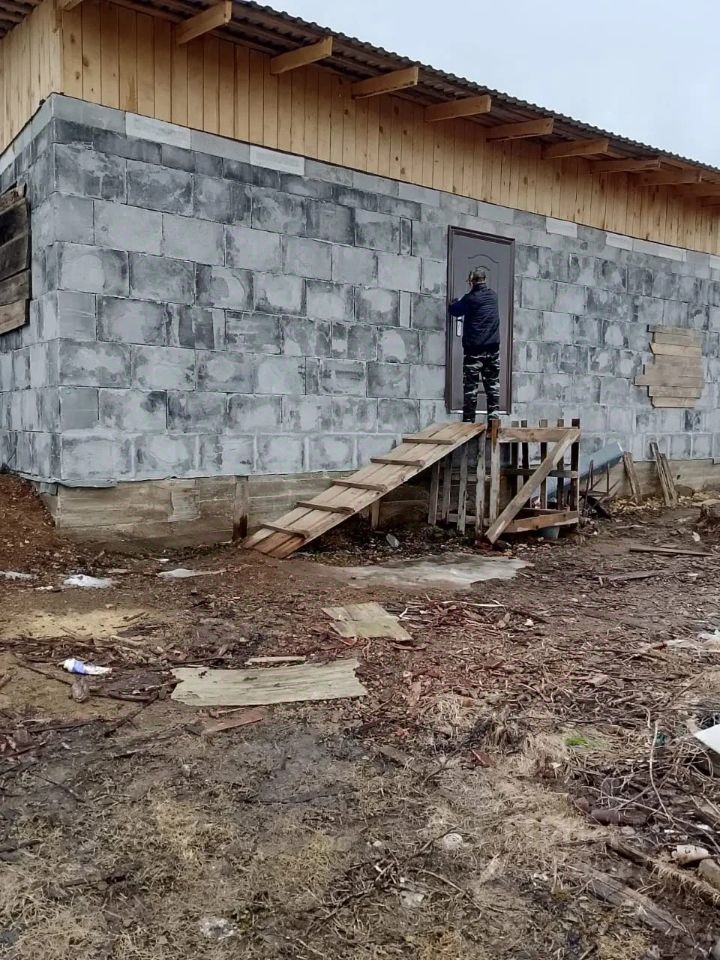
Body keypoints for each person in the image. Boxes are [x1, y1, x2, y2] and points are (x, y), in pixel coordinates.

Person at [448, 269, 501, 423]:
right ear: (484, 279)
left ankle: (469, 422)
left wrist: (452, 303)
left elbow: (455, 310)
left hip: (474, 351)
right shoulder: (494, 296)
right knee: (492, 386)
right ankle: (494, 421)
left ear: (471, 281)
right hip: (493, 350)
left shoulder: (470, 298)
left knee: (471, 388)